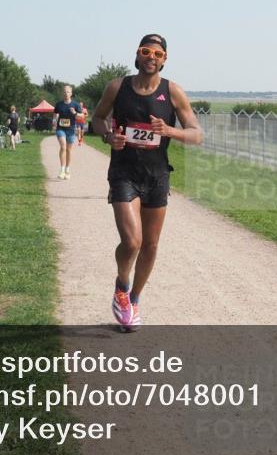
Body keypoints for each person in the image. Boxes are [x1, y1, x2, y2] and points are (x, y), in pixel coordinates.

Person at [92, 34, 203, 331]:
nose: (151, 57)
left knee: (151, 246)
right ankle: (122, 286)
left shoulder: (173, 92)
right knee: (132, 241)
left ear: (164, 59)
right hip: (124, 173)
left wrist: (169, 131)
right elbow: (98, 118)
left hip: (157, 176)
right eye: (145, 51)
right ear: (137, 55)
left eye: (157, 53)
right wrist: (108, 136)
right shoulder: (118, 87)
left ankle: (135, 299)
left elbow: (196, 134)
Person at [52, 86, 83, 179]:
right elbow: (54, 114)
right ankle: (61, 170)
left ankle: (67, 170)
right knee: (63, 146)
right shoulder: (59, 104)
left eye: (68, 92)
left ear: (71, 94)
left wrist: (75, 113)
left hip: (71, 130)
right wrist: (54, 122)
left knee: (69, 150)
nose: (66, 93)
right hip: (60, 128)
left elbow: (81, 117)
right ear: (63, 93)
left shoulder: (75, 105)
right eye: (64, 92)